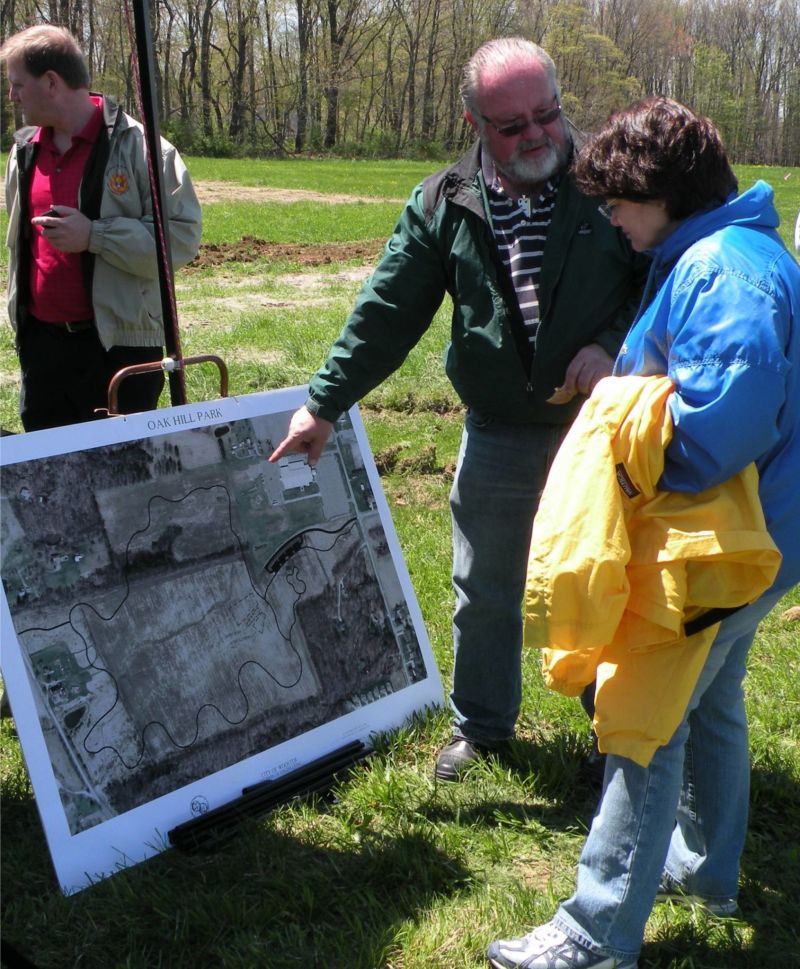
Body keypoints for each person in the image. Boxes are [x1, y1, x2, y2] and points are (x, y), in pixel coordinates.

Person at [269, 37, 648, 781]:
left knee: (608, 584)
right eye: (513, 124)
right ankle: (482, 726)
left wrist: (612, 345)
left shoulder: (614, 183)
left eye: (549, 113)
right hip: (499, 431)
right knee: (485, 589)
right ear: (475, 122)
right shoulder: (445, 201)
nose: (538, 134)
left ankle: (621, 732)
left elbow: (662, 279)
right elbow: (387, 309)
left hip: (599, 431)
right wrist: (324, 404)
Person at [487, 96, 800, 969]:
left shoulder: (721, 270)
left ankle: (595, 932)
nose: (613, 221)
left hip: (714, 548)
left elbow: (717, 430)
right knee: (713, 701)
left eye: (619, 203)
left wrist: (620, 429)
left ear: (663, 192)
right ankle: (703, 871)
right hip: (757, 538)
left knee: (642, 721)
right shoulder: (723, 250)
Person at [1, 24, 202, 432]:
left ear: (52, 82)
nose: (11, 96)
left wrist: (95, 236)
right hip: (43, 353)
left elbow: (181, 239)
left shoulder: (143, 149)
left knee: (124, 480)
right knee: (53, 480)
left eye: (18, 84)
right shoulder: (23, 152)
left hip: (120, 351)